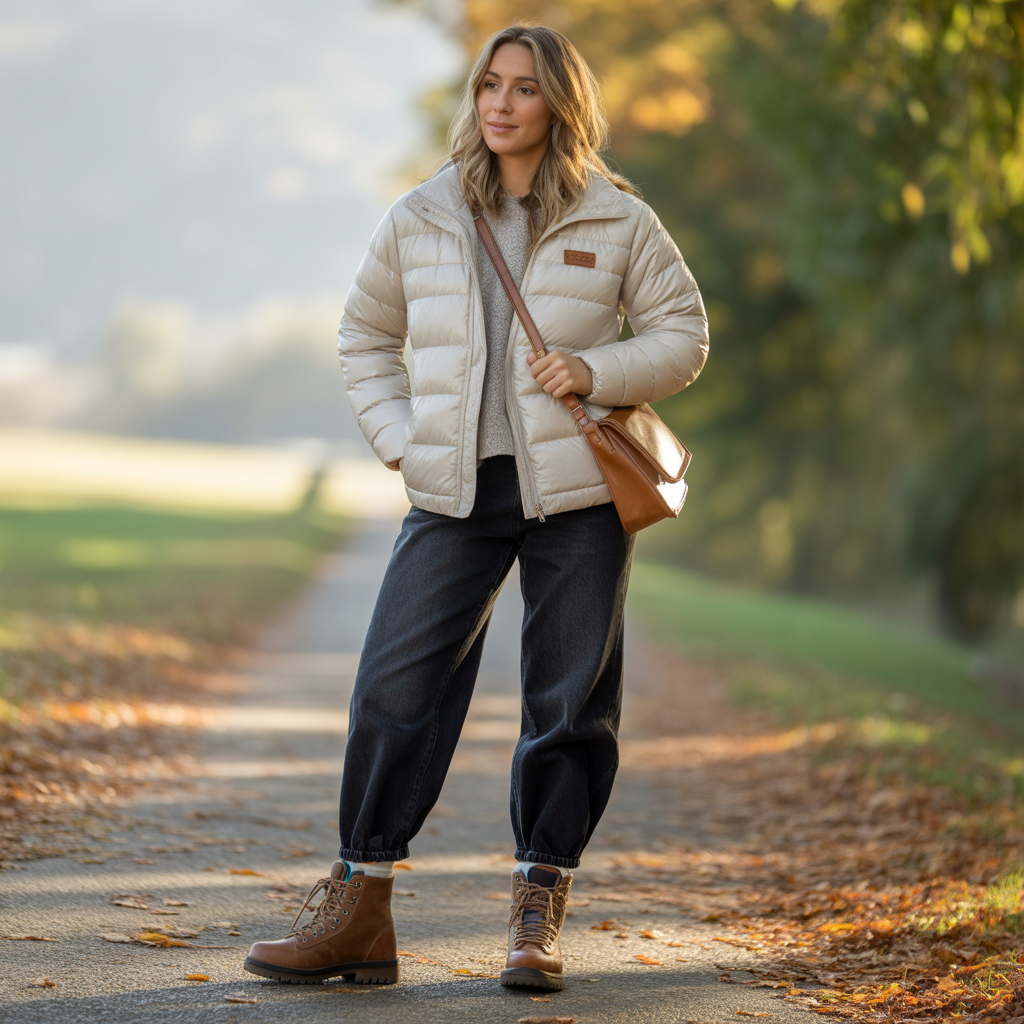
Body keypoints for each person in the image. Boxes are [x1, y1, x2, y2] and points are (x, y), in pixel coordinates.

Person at [244, 23, 708, 992]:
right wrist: (402, 439)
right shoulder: (420, 214)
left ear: (559, 104)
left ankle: (537, 908)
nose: (500, 103)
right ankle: (359, 906)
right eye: (488, 84)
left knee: (568, 703)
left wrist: (592, 367)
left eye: (524, 88)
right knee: (393, 689)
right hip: (453, 494)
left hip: (577, 494)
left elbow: (682, 336)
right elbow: (363, 336)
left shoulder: (617, 217)